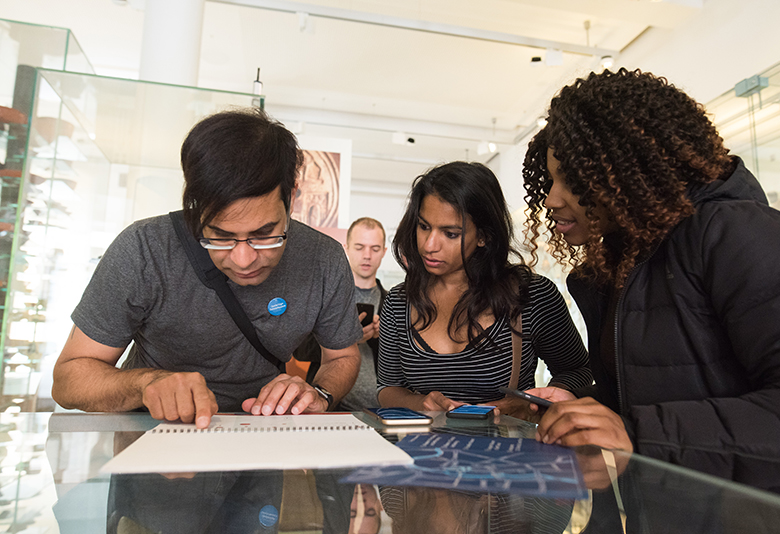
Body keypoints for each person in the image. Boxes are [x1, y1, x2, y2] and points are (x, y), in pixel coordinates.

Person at [521, 68, 780, 497]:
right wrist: (587, 410)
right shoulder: (612, 268)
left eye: (572, 180)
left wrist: (637, 434)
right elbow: (663, 385)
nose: (553, 199)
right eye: (551, 178)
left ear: (628, 170)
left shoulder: (739, 235)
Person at [51, 108, 362, 429]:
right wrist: (145, 384)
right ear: (195, 207)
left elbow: (342, 357)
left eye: (264, 235)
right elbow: (68, 379)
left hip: (259, 436)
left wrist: (319, 392)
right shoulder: (143, 249)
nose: (243, 259)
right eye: (220, 236)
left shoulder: (324, 259)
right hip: (152, 435)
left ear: (292, 195)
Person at [377, 161, 592, 415]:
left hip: (509, 451)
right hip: (420, 451)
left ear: (484, 236)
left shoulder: (531, 295)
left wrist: (533, 404)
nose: (429, 245)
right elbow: (387, 388)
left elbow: (578, 371)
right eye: (424, 227)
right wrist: (419, 403)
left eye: (450, 233)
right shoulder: (399, 301)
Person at [293, 217, 388, 411]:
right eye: (360, 247)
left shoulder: (394, 303)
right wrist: (348, 338)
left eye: (375, 248)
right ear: (347, 247)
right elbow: (300, 350)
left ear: (384, 252)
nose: (367, 255)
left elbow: (404, 365)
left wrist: (383, 337)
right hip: (334, 405)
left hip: (384, 409)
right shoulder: (326, 297)